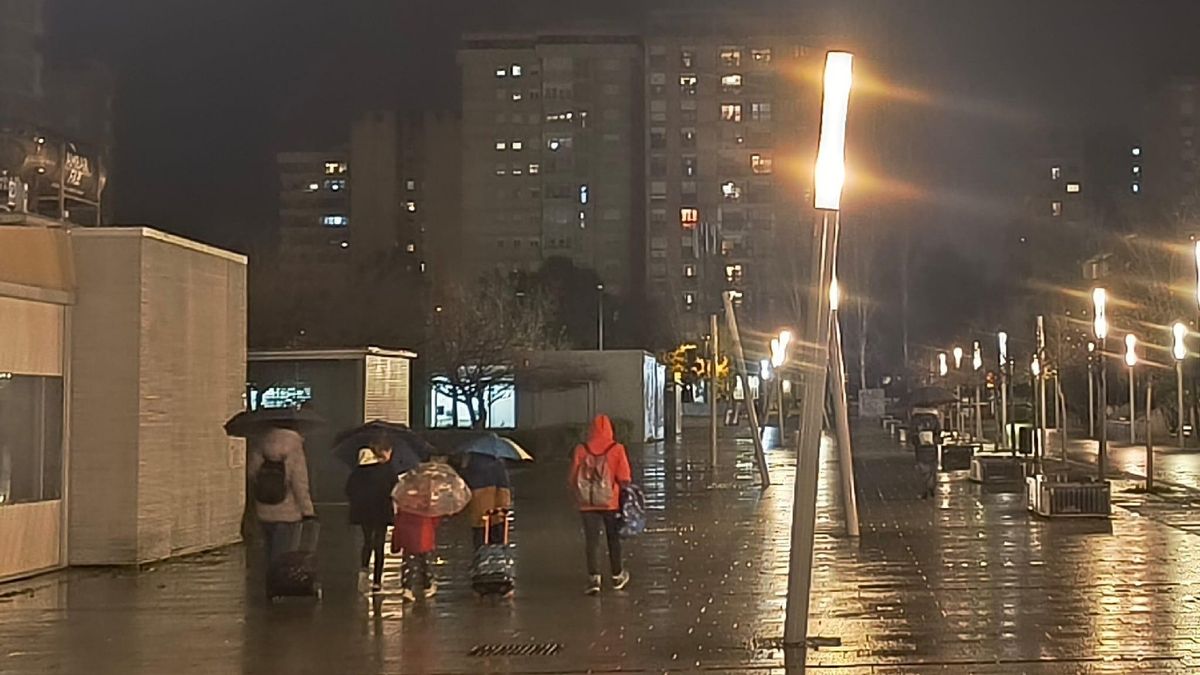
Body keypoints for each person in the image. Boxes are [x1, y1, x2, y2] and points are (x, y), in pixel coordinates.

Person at [568, 414, 632, 595]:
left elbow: (573, 476)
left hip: (587, 502)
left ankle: (594, 579)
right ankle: (617, 575)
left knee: (592, 541)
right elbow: (625, 478)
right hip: (610, 502)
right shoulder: (617, 449)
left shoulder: (581, 449)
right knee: (613, 538)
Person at [247, 427, 316, 566]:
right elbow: (299, 482)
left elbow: (251, 473)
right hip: (288, 512)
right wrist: (308, 511)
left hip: (264, 508)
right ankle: (280, 583)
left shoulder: (261, 440)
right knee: (285, 555)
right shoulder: (294, 444)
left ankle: (269, 582)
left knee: (268, 553)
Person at [345, 436, 398, 593]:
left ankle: (363, 571)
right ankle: (377, 583)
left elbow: (348, 489)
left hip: (364, 511)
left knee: (367, 541)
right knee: (379, 544)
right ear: (384, 451)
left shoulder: (359, 469)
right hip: (381, 510)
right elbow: (395, 490)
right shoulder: (388, 469)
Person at [391, 484, 441, 602]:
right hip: (425, 535)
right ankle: (428, 585)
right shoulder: (427, 501)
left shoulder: (404, 501)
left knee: (409, 563)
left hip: (409, 537)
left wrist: (397, 541)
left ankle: (407, 588)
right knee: (426, 562)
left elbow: (399, 520)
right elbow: (435, 519)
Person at [458, 452, 512, 549]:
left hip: (479, 501)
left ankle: (481, 554)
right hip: (497, 505)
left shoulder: (472, 460)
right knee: (497, 532)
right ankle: (497, 553)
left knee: (480, 532)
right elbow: (504, 484)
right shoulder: (499, 460)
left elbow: (465, 481)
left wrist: (463, 467)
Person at [910, 408, 941, 499]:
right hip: (932, 447)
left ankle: (924, 490)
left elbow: (912, 433)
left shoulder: (915, 419)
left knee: (922, 469)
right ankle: (931, 487)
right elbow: (938, 432)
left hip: (920, 448)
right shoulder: (934, 418)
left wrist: (916, 441)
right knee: (932, 468)